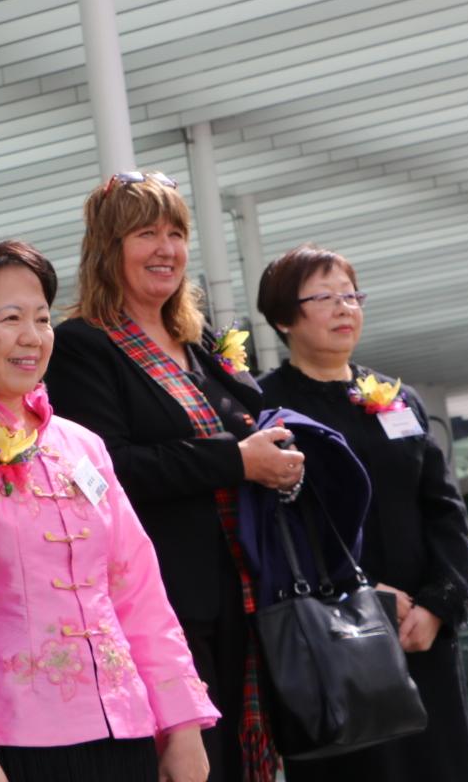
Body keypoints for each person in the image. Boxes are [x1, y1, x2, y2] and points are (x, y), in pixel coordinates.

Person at [0, 237, 214, 782]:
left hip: (125, 728)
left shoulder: (83, 446)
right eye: (9, 318)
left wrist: (182, 723)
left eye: (43, 318)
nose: (32, 337)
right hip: (8, 743)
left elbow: (137, 590)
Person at [48, 172, 298, 782]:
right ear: (109, 248)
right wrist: (237, 460)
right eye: (145, 233)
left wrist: (280, 460)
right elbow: (106, 469)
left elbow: (248, 427)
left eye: (176, 233)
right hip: (165, 599)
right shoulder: (81, 344)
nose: (166, 248)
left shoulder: (200, 342)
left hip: (245, 587)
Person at [255, 245, 468, 782]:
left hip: (420, 631)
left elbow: (443, 506)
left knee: (439, 765)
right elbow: (278, 523)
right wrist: (371, 597)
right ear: (285, 316)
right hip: (335, 631)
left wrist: (439, 603)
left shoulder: (397, 398)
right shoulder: (266, 404)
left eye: (352, 295)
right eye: (325, 297)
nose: (344, 308)